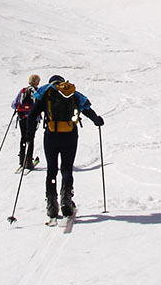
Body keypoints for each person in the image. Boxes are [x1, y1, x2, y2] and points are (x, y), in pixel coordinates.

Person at [26, 74, 104, 219]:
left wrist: (29, 135)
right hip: (70, 135)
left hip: (51, 136)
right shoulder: (71, 93)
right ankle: (66, 201)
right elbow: (86, 109)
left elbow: (32, 115)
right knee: (67, 168)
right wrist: (97, 120)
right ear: (63, 82)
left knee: (52, 169)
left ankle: (51, 204)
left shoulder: (46, 93)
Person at [11, 74, 41, 170]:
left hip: (22, 117)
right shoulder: (37, 92)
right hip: (33, 118)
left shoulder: (23, 91)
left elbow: (14, 104)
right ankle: (28, 161)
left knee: (23, 136)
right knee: (30, 137)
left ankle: (21, 158)